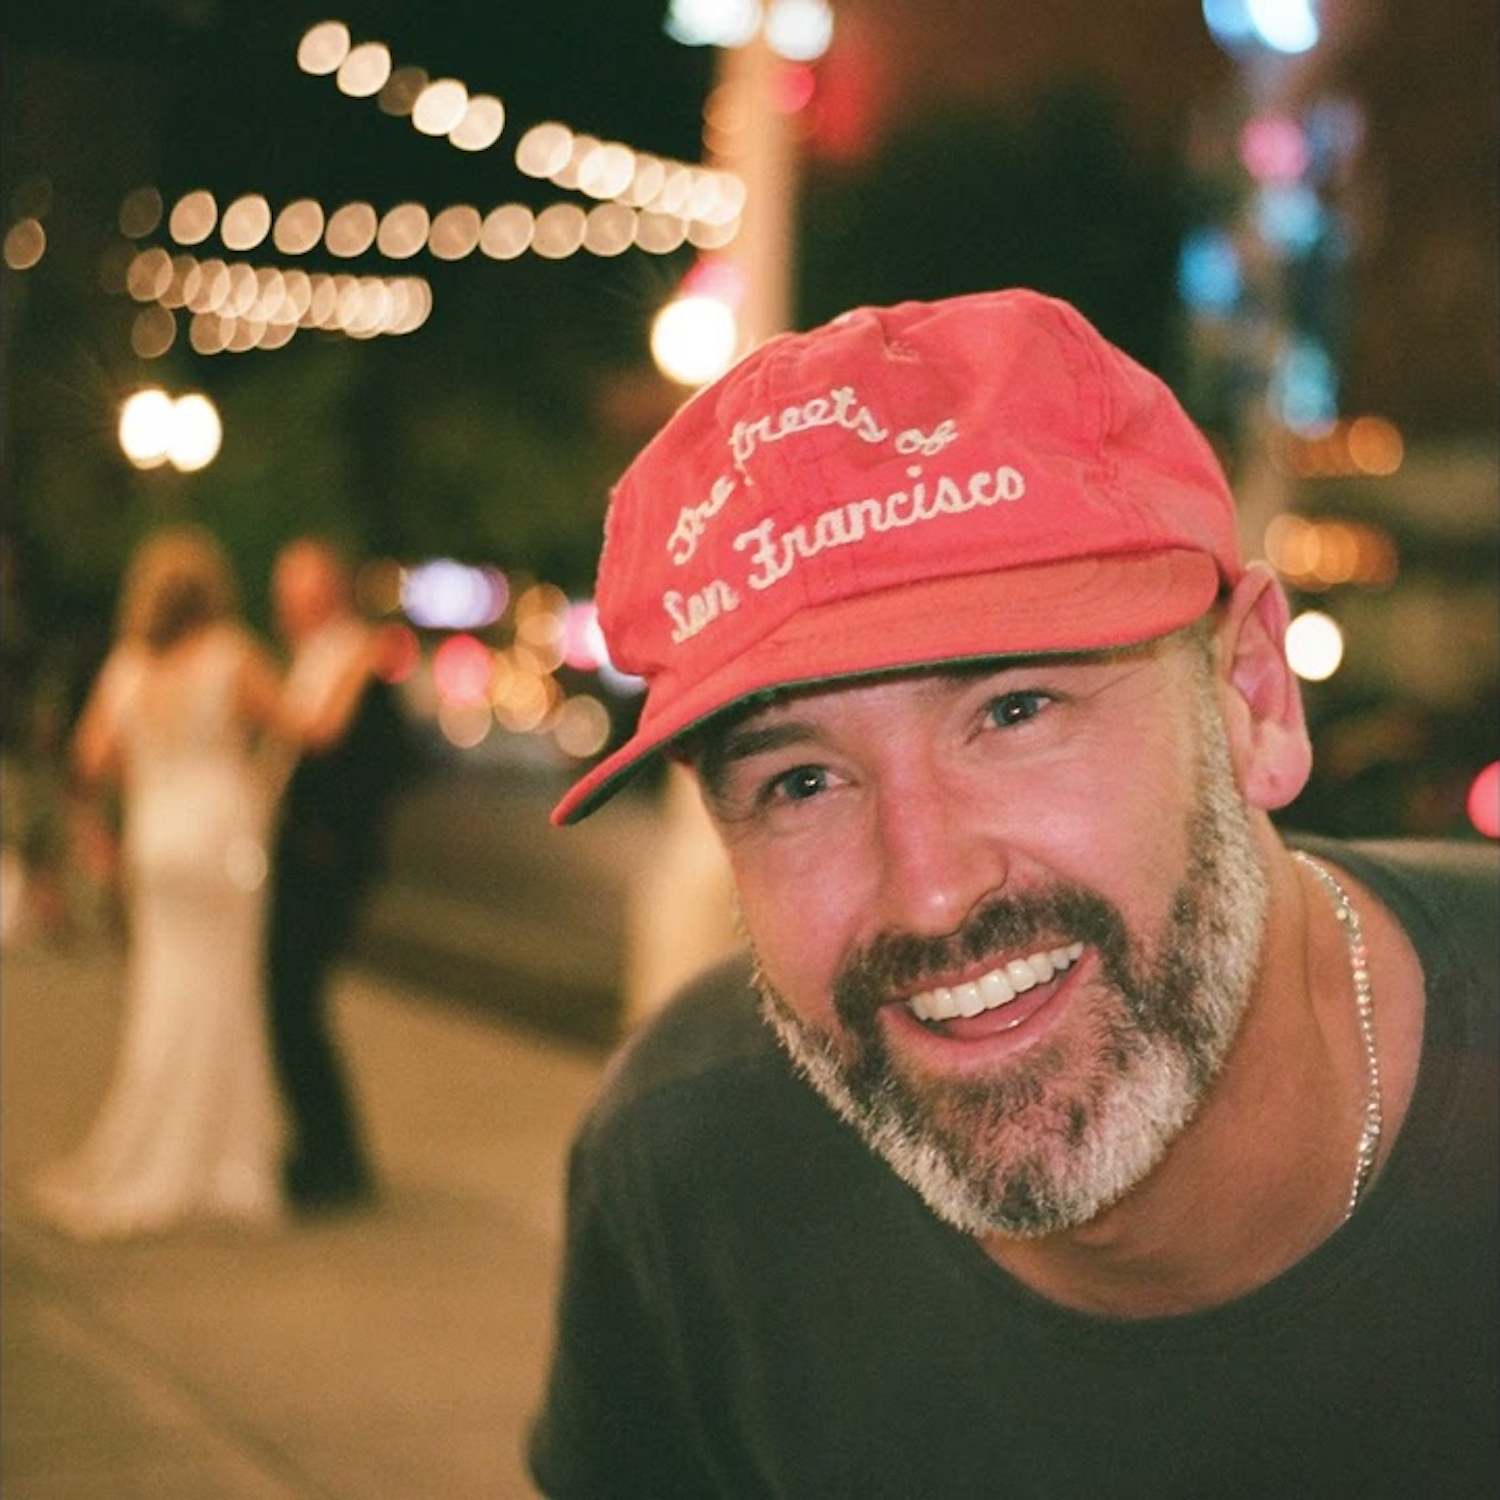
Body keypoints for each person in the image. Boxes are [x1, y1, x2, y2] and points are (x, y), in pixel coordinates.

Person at [529, 289, 1498, 1496]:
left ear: (1252, 698)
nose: (932, 893)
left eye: (1016, 711)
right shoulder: (691, 1167)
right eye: (802, 782)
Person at [30, 526, 297, 1240]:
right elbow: (291, 722)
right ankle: (224, 1162)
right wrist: (254, 770)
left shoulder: (127, 668)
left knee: (165, 990)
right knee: (227, 990)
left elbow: (91, 759)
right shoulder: (230, 653)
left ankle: (157, 1146)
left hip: (157, 839)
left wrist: (144, 780)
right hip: (219, 836)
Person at [266, 536, 412, 1215]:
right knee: (290, 1005)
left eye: (298, 593)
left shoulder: (360, 660)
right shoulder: (314, 660)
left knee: (294, 1000)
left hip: (322, 859)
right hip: (300, 855)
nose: (288, 607)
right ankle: (322, 1148)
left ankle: (333, 1156)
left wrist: (328, 837)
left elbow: (370, 762)